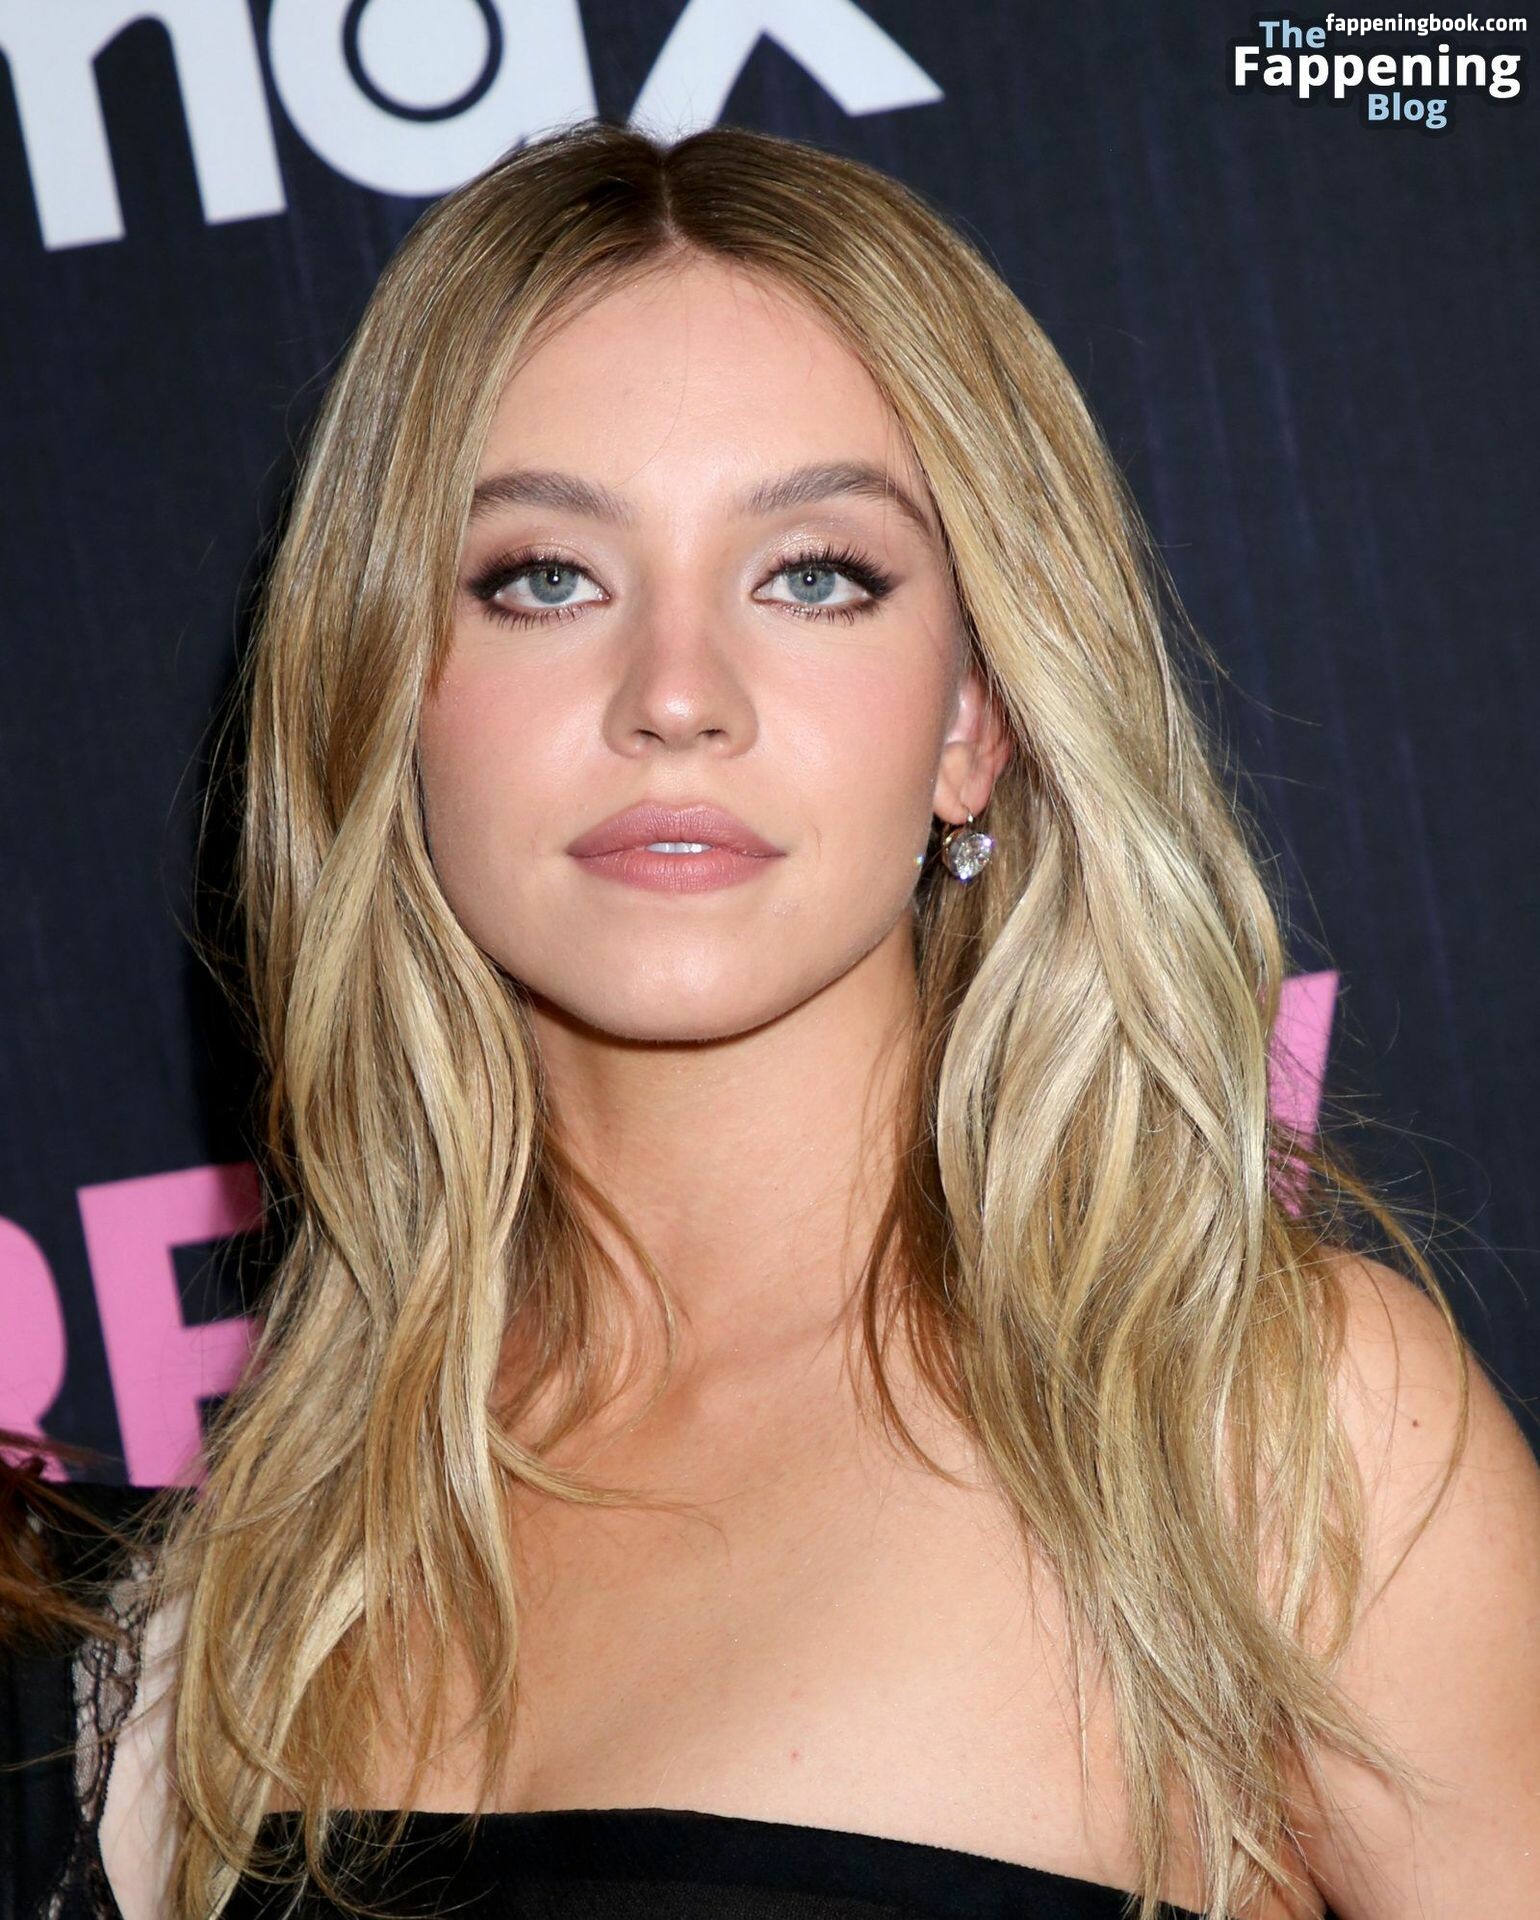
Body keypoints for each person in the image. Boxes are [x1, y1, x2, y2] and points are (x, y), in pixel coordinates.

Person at [17, 118, 1540, 1920]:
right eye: (543, 578)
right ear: (386, 696)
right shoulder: (260, 1557)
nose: (676, 695)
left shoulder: (1271, 1434)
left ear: (974, 717)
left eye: (815, 574)